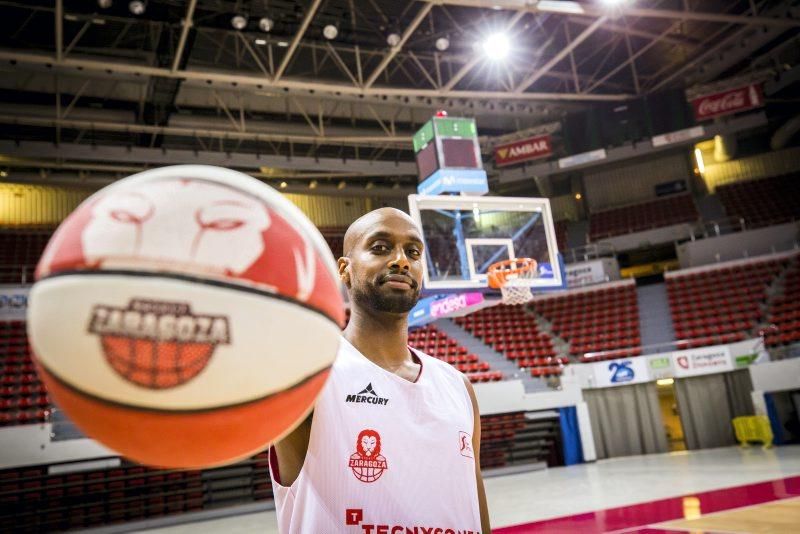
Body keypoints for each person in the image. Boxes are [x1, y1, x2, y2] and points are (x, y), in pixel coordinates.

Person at [269, 207, 491, 533]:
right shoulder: (307, 376)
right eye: (380, 248)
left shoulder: (459, 386)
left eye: (413, 252)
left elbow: (474, 504)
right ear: (344, 269)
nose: (401, 260)